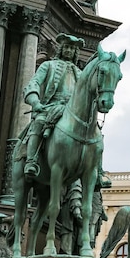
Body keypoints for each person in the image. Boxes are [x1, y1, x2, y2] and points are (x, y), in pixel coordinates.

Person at [21, 33, 85, 179]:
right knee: (38, 123)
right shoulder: (48, 65)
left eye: (72, 49)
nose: (69, 51)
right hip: (51, 106)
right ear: (61, 49)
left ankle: (96, 172)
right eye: (67, 47)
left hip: (73, 111)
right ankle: (31, 161)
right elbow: (34, 83)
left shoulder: (80, 73)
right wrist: (35, 102)